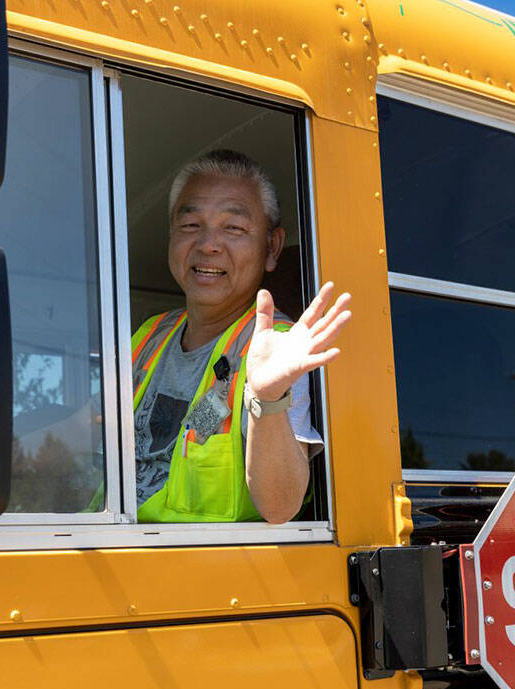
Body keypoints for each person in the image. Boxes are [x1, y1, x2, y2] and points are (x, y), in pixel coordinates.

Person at [132, 149, 351, 523]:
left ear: (271, 248)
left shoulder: (278, 348)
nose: (208, 245)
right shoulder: (150, 334)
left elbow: (280, 506)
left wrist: (268, 397)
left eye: (233, 228)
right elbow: (86, 428)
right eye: (190, 226)